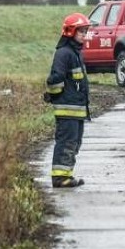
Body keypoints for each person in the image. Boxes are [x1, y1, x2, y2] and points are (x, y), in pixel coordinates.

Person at [44, 13, 91, 188]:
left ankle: (66, 175)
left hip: (76, 109)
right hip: (67, 109)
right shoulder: (64, 53)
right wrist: (54, 95)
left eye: (85, 31)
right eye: (81, 31)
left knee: (74, 143)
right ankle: (59, 178)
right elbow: (55, 79)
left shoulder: (76, 53)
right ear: (71, 32)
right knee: (66, 142)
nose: (84, 35)